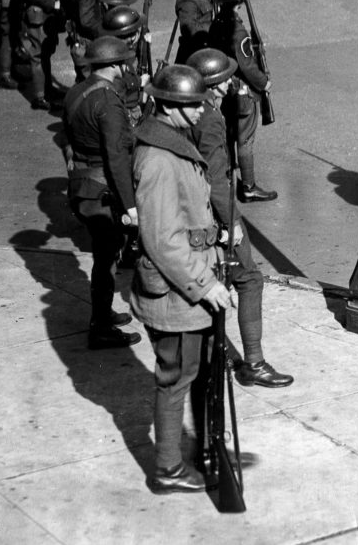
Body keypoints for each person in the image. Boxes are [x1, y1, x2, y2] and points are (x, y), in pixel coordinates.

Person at [128, 63, 228, 494]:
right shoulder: (158, 160)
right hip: (176, 293)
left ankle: (195, 451)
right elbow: (163, 239)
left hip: (186, 280)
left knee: (190, 372)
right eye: (193, 106)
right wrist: (205, 285)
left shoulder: (169, 142)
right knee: (176, 378)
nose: (202, 112)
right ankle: (167, 468)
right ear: (170, 107)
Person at [186, 49, 292, 387]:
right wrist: (230, 224)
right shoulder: (210, 120)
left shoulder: (192, 111)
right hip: (215, 212)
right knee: (249, 279)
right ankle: (254, 362)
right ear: (216, 85)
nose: (233, 81)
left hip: (191, 208)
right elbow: (216, 178)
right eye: (227, 78)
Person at [62, 36, 141, 350]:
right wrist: (131, 204)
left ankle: (104, 312)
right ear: (116, 65)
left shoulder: (77, 90)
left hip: (81, 184)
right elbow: (116, 156)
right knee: (106, 256)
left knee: (104, 254)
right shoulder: (107, 100)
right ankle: (100, 328)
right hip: (101, 190)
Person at [210, 0, 277, 202]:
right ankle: (248, 186)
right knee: (245, 140)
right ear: (238, 3)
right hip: (243, 92)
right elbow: (246, 64)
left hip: (227, 90)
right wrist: (263, 82)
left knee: (229, 135)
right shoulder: (237, 30)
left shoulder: (217, 22)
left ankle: (228, 179)